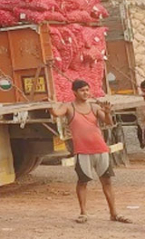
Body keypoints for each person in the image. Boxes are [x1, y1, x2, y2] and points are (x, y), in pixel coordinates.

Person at [49, 79, 132, 224]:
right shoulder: (69, 107)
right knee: (83, 182)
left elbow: (109, 123)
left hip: (100, 150)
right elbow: (56, 113)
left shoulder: (94, 107)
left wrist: (107, 113)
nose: (86, 93)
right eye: (82, 90)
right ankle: (83, 213)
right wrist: (49, 104)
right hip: (82, 151)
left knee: (107, 182)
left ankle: (114, 213)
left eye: (87, 90)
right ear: (74, 92)